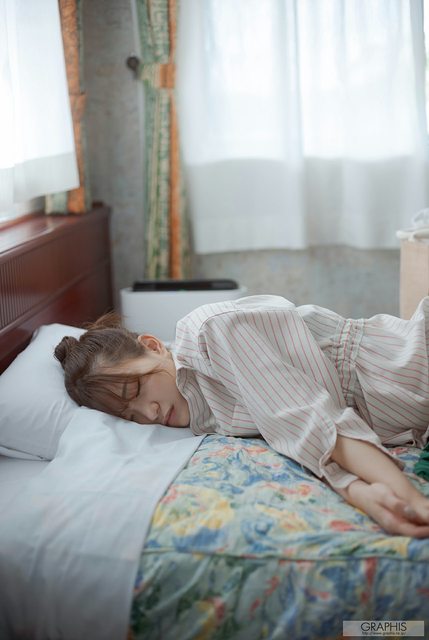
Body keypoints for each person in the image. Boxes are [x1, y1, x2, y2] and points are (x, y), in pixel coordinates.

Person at [55, 294, 429, 538]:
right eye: (132, 417)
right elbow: (294, 435)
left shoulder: (207, 332)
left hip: (409, 364)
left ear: (152, 346)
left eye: (135, 391)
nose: (148, 413)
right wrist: (359, 490)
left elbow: (310, 418)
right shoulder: (203, 415)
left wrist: (412, 500)